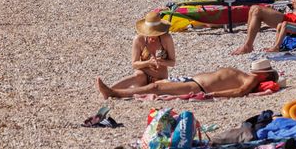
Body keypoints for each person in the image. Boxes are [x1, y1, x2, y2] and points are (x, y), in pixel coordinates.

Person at [97, 58, 280, 99]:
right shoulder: (248, 75)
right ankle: (116, 91)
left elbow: (239, 92)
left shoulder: (253, 80)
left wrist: (215, 94)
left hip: (199, 87)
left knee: (155, 89)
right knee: (158, 84)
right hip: (193, 80)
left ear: (265, 75)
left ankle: (114, 93)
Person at [105, 12, 176, 93]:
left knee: (165, 85)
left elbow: (172, 62)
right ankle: (109, 90)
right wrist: (148, 62)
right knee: (138, 76)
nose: (152, 36)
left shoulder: (166, 38)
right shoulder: (139, 40)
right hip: (143, 75)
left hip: (161, 77)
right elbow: (134, 64)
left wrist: (161, 61)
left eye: (155, 33)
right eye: (150, 33)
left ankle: (117, 93)